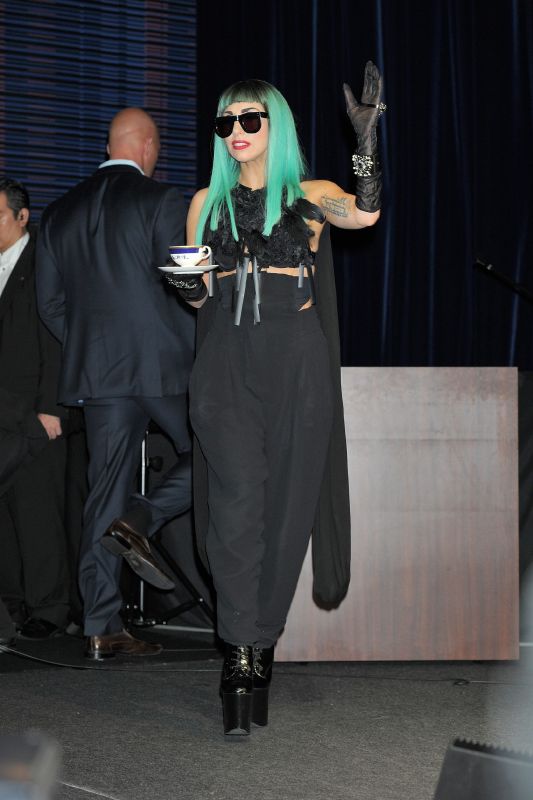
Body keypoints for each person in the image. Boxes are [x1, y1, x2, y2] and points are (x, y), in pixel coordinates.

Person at [165, 62, 384, 734]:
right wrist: (186, 284)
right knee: (235, 510)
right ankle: (238, 652)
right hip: (226, 364)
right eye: (226, 120)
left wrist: (366, 146)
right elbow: (198, 295)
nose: (236, 129)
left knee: (288, 511)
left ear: (274, 126)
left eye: (249, 118)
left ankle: (261, 643)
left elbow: (365, 214)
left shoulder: (311, 195)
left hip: (296, 360)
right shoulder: (204, 203)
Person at [36, 108, 195, 660]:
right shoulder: (161, 199)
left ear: (110, 146)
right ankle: (142, 517)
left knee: (102, 490)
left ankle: (101, 626)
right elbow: (182, 284)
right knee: (218, 453)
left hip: (99, 375)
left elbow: (50, 305)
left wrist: (93, 346)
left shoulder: (59, 211)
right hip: (164, 366)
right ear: (148, 146)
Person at [0, 178, 71, 640]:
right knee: (5, 516)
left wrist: (51, 407)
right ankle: (13, 605)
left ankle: (50, 608)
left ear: (22, 217)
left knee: (38, 510)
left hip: (34, 412)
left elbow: (57, 337)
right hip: (3, 411)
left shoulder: (45, 261)